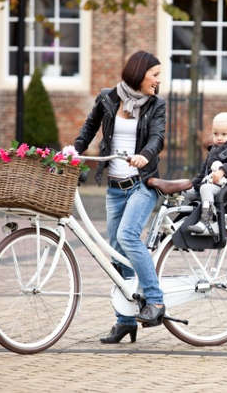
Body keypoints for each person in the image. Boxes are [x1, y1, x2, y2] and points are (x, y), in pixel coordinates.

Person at [74, 51, 165, 344]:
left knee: (128, 237)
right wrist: (75, 151)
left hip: (142, 184)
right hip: (114, 188)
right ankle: (125, 320)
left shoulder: (157, 105)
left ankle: (155, 300)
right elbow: (89, 128)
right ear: (139, 74)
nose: (159, 81)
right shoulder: (108, 98)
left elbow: (157, 138)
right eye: (155, 75)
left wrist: (144, 155)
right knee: (116, 255)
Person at [186, 112, 227, 234]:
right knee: (189, 193)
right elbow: (204, 171)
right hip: (209, 183)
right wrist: (193, 184)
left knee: (206, 189)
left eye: (224, 134)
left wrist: (222, 170)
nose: (219, 137)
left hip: (223, 186)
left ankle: (206, 221)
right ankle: (186, 220)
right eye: (216, 134)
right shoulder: (214, 149)